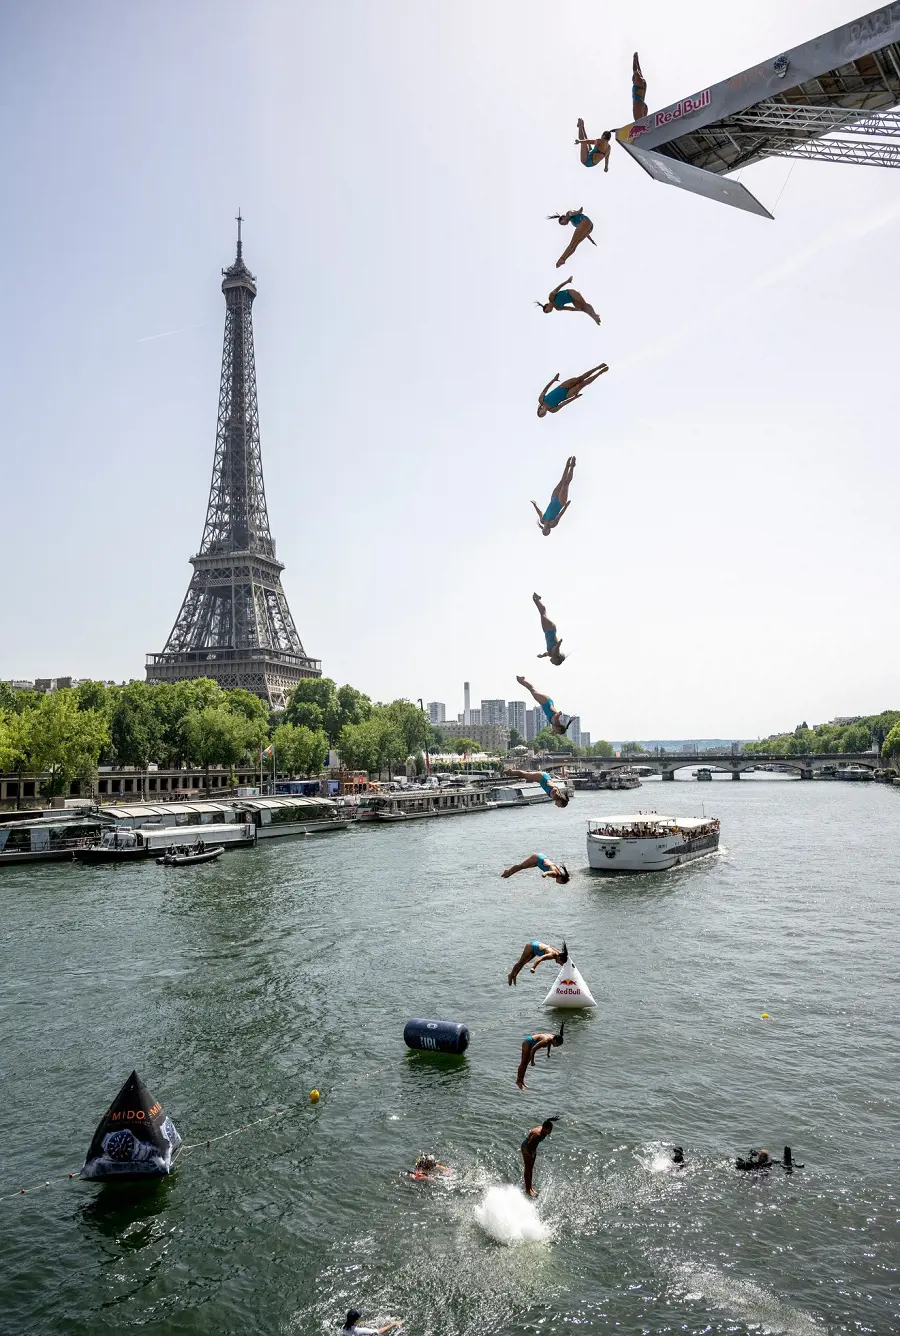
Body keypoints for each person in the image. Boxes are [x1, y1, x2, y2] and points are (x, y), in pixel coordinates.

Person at [515, 677, 572, 742]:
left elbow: (553, 731)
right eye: (557, 732)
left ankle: (522, 681)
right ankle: (522, 680)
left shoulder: (554, 726)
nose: (556, 733)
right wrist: (559, 713)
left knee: (533, 691)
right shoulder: (556, 721)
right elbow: (556, 714)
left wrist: (551, 734)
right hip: (547, 702)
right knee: (532, 690)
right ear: (559, 728)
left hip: (545, 704)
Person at [537, 365, 608, 417]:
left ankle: (598, 367)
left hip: (562, 387)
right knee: (583, 384)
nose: (543, 414)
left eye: (541, 413)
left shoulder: (541, 400)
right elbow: (564, 403)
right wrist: (574, 398)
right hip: (567, 395)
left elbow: (546, 388)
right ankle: (600, 372)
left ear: (539, 410)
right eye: (543, 415)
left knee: (580, 379)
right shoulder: (552, 410)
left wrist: (553, 380)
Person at [531, 456, 576, 536]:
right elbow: (560, 514)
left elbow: (540, 513)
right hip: (560, 502)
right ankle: (572, 467)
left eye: (545, 531)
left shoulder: (542, 520)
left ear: (543, 529)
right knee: (565, 484)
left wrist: (535, 505)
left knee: (562, 481)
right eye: (547, 532)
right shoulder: (553, 524)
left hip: (553, 499)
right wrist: (566, 506)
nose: (546, 530)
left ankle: (567, 465)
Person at [516, 1024, 565, 1090]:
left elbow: (549, 1044)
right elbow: (533, 1049)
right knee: (523, 1063)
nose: (557, 1046)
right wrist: (532, 1061)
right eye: (557, 1044)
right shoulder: (546, 1040)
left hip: (532, 1044)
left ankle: (522, 1081)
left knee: (526, 1064)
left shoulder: (552, 1038)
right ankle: (518, 1081)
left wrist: (548, 1053)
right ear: (555, 1040)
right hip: (528, 1042)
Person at [521, 1116, 559, 1196]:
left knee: (531, 1168)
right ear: (545, 1128)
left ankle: (530, 1188)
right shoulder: (538, 1134)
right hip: (526, 1148)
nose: (551, 1131)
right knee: (528, 1168)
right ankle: (527, 1189)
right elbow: (529, 1145)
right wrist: (530, 1155)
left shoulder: (544, 1130)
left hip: (532, 1148)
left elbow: (533, 1145)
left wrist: (534, 1152)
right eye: (550, 1129)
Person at [532, 592, 565, 665]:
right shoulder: (555, 653)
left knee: (543, 613)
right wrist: (560, 642)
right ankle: (537, 599)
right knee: (543, 614)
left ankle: (536, 599)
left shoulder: (551, 654)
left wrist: (541, 656)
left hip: (547, 631)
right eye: (555, 663)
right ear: (557, 659)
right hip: (550, 629)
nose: (552, 663)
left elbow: (546, 654)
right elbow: (556, 647)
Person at [502, 855, 569, 886]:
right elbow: (548, 872)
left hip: (541, 860)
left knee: (522, 867)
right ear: (561, 878)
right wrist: (544, 874)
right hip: (538, 859)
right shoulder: (555, 874)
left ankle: (508, 873)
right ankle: (507, 872)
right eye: (561, 883)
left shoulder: (559, 872)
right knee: (521, 866)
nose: (559, 883)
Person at [632, 52, 648, 120]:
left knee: (639, 123)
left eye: (633, 79)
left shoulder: (638, 80)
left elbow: (635, 70)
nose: (632, 81)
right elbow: (639, 71)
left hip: (637, 103)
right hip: (644, 105)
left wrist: (634, 59)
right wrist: (637, 61)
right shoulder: (643, 82)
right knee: (643, 125)